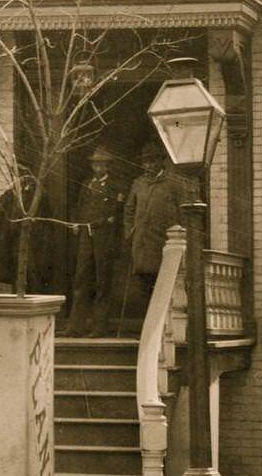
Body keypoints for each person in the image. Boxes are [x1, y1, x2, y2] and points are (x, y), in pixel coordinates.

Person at [118, 139, 190, 331]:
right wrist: (130, 231)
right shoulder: (138, 183)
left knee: (165, 287)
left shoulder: (174, 184)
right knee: (144, 289)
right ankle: (148, 331)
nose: (148, 165)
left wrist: (180, 238)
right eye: (145, 162)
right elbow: (129, 210)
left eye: (152, 161)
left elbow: (184, 214)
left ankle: (164, 330)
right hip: (141, 246)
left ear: (161, 162)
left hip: (164, 246)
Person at [62, 146, 128, 337]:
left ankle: (100, 327)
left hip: (105, 238)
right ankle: (75, 327)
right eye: (96, 164)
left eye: (102, 164)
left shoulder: (116, 187)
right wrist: (76, 223)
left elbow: (117, 214)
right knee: (81, 279)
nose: (98, 167)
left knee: (102, 282)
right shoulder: (86, 184)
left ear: (108, 166)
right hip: (86, 236)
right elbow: (79, 207)